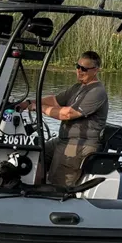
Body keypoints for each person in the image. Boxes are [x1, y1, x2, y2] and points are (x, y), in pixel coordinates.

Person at [18, 51, 108, 187]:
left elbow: (67, 114)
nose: (79, 71)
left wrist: (38, 107)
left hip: (80, 143)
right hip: (63, 139)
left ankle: (55, 194)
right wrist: (29, 102)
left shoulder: (97, 92)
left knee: (58, 181)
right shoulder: (78, 87)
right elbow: (55, 101)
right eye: (77, 66)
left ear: (95, 70)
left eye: (84, 68)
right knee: (36, 153)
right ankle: (34, 189)